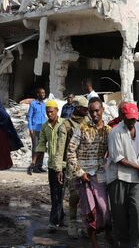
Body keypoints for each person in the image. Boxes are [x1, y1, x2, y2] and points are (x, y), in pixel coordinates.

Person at [67, 97, 112, 247]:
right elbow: (70, 151)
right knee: (89, 211)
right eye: (91, 111)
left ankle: (107, 235)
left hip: (101, 176)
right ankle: (93, 242)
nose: (94, 114)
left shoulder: (108, 131)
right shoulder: (82, 128)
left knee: (104, 209)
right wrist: (80, 172)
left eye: (97, 111)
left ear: (102, 110)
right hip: (84, 176)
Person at [106, 102, 139, 248]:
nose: (132, 122)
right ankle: (122, 244)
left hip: (136, 178)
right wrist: (137, 167)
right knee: (120, 215)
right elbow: (118, 158)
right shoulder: (115, 132)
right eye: (129, 119)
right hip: (119, 177)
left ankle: (137, 244)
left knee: (136, 211)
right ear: (122, 116)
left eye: (134, 119)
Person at [58, 96, 90, 238]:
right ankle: (72, 222)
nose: (87, 110)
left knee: (87, 196)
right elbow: (60, 149)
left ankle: (86, 224)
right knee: (75, 195)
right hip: (72, 163)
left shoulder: (88, 122)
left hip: (88, 163)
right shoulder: (66, 125)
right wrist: (59, 168)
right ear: (77, 108)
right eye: (84, 108)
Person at [36, 100, 65, 229]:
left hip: (63, 165)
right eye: (47, 112)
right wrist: (35, 161)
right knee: (55, 193)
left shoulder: (64, 124)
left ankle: (53, 222)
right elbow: (42, 143)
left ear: (57, 111)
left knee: (59, 194)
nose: (49, 114)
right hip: (51, 165)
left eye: (51, 111)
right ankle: (61, 218)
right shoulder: (45, 126)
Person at [27, 88, 47, 174]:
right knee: (35, 148)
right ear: (37, 94)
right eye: (41, 93)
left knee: (42, 147)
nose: (43, 94)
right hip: (35, 129)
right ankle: (34, 166)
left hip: (43, 130)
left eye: (44, 93)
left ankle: (39, 166)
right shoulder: (33, 104)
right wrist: (30, 128)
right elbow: (29, 117)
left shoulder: (44, 104)